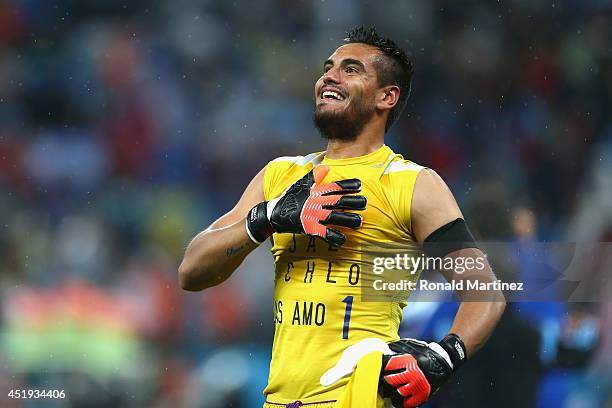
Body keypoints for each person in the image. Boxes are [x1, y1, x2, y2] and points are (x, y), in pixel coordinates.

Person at [179, 26, 506, 408]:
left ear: (387, 96)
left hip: (359, 396)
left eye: (351, 69)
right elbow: (191, 271)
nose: (328, 77)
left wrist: (444, 357)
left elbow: (485, 293)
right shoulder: (279, 176)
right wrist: (265, 218)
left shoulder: (413, 184)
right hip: (278, 400)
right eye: (328, 67)